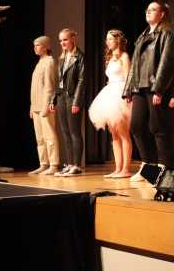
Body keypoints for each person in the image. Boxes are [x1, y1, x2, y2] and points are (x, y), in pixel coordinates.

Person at [124, 2, 174, 171]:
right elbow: (134, 65)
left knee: (158, 127)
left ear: (162, 14)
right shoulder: (142, 36)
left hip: (154, 86)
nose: (148, 12)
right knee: (136, 126)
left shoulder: (167, 34)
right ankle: (149, 165)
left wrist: (159, 89)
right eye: (147, 9)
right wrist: (128, 89)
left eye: (153, 9)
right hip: (140, 87)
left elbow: (167, 63)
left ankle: (167, 165)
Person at [89, 29, 133, 178]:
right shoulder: (109, 58)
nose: (107, 42)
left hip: (120, 93)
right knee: (114, 134)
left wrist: (127, 95)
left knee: (123, 133)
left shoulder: (124, 56)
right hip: (109, 92)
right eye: (107, 39)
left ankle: (126, 169)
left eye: (111, 39)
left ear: (118, 41)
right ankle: (118, 168)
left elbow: (128, 77)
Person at [50, 28, 86, 177]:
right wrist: (53, 99)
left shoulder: (80, 57)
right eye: (60, 40)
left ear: (73, 39)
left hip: (72, 98)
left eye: (65, 39)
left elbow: (82, 81)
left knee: (74, 132)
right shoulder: (62, 58)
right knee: (65, 133)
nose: (62, 43)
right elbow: (59, 81)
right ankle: (70, 164)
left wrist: (76, 102)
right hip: (62, 98)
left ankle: (77, 165)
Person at [29, 36, 59, 175]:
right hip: (36, 105)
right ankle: (44, 163)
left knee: (49, 136)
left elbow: (49, 86)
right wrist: (32, 106)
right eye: (34, 45)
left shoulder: (49, 62)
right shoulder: (39, 62)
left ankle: (53, 164)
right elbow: (35, 87)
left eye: (38, 45)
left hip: (44, 106)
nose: (35, 48)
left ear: (46, 47)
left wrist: (46, 106)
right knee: (40, 138)